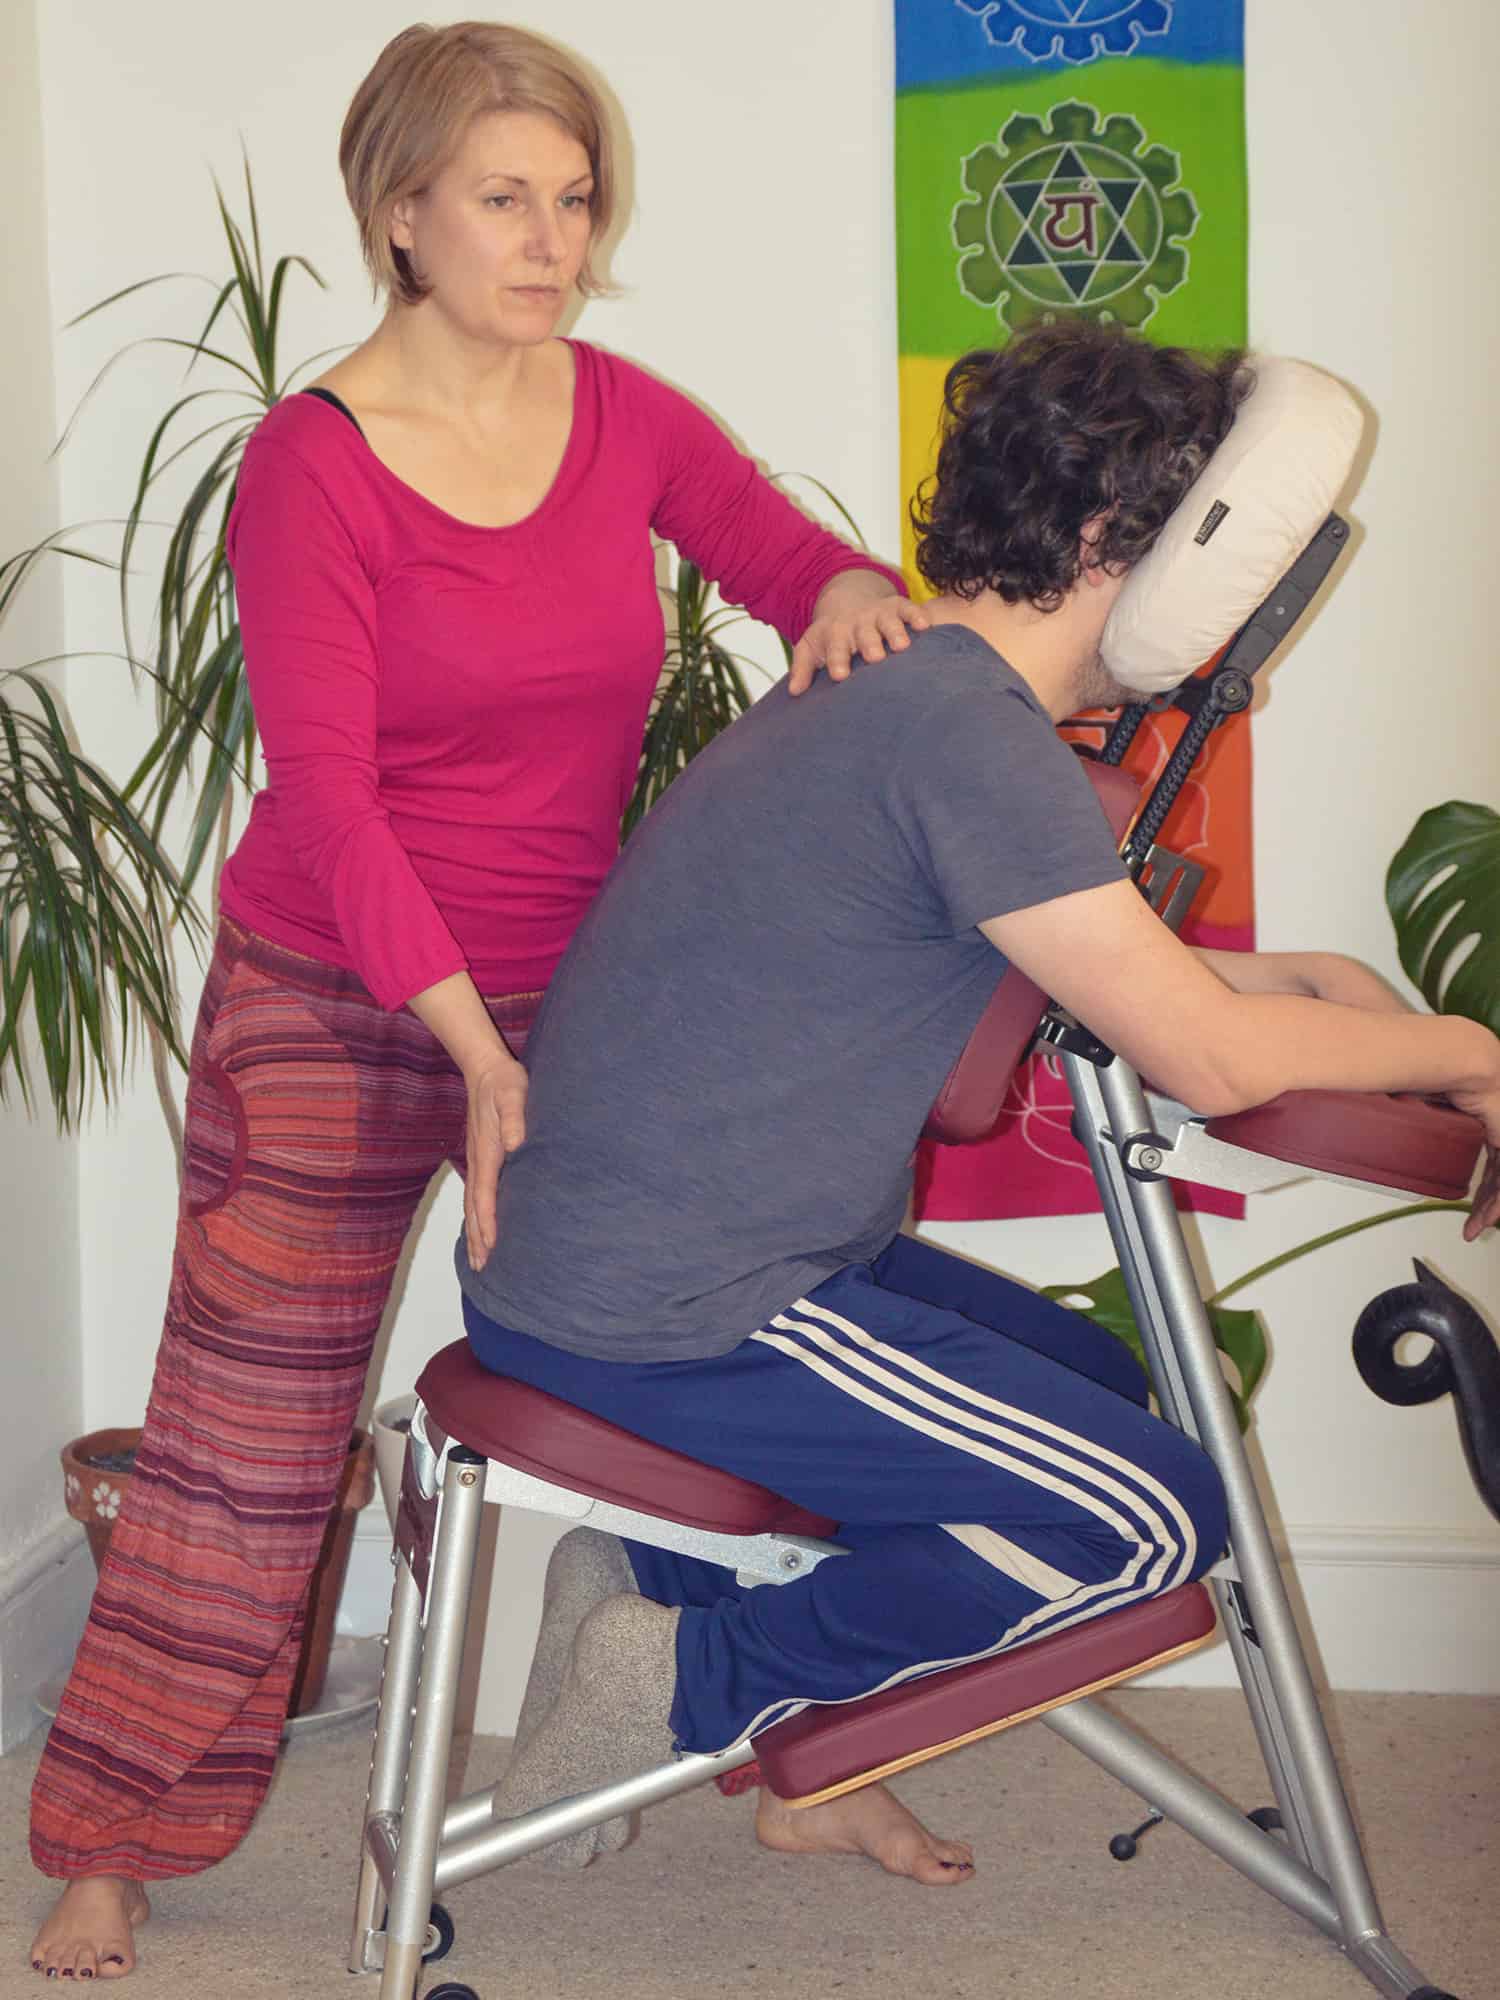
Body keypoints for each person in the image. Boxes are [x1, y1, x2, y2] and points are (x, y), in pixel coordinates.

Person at [27, 20, 923, 1984]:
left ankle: (801, 1747)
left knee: (706, 1349)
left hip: (571, 991)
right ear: (401, 212)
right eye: (505, 198)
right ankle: (109, 1832)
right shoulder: (313, 464)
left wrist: (851, 585)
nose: (553, 239)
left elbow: (795, 560)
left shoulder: (625, 414)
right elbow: (332, 803)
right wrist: (474, 1055)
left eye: (576, 196)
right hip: (332, 989)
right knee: (251, 1428)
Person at [456, 320, 1500, 1884]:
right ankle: (688, 1675)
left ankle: (711, 1640)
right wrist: (1473, 1054)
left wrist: (1331, 988)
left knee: (1085, 1373)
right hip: (669, 1304)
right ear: (1109, 542)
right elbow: (1204, 1058)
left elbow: (1108, 970)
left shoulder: (909, 694)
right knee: (1154, 1515)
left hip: (616, 1260)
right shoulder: (960, 733)